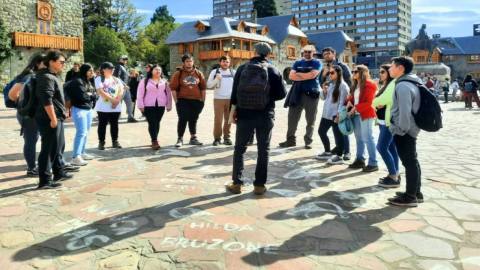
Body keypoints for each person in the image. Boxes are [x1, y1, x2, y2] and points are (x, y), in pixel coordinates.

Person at [226, 42, 287, 195]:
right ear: (268, 54)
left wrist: (232, 111)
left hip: (244, 114)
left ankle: (237, 183)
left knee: (239, 149)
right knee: (263, 150)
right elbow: (282, 94)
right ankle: (259, 185)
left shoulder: (242, 68)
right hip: (265, 114)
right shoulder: (273, 70)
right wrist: (267, 96)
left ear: (254, 52)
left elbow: (234, 93)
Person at [387, 56, 423, 207]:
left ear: (400, 68)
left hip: (405, 131)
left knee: (409, 162)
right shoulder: (413, 81)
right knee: (412, 161)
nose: (389, 69)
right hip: (411, 128)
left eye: (392, 66)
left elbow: (404, 112)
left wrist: (400, 130)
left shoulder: (402, 86)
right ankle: (416, 192)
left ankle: (410, 197)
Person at [34, 50, 71, 189]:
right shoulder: (46, 77)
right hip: (48, 119)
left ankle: (58, 172)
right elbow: (46, 100)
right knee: (48, 149)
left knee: (57, 146)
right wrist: (53, 119)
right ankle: (44, 180)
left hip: (56, 117)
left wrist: (63, 112)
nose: (63, 64)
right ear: (51, 61)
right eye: (61, 62)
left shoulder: (52, 76)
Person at [7, 53, 45, 176]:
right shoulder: (28, 76)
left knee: (32, 139)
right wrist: (24, 104)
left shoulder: (33, 75)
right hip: (29, 114)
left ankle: (32, 164)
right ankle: (31, 167)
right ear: (38, 63)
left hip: (31, 113)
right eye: (45, 62)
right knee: (30, 140)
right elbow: (12, 94)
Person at [280, 45, 321, 149]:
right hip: (296, 93)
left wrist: (298, 75)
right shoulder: (297, 62)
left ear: (313, 52)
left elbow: (313, 75)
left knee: (310, 119)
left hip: (311, 94)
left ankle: (308, 141)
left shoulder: (317, 63)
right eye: (305, 51)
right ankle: (290, 140)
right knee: (292, 118)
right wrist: (306, 75)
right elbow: (290, 76)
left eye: (309, 52)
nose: (307, 53)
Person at [318, 47, 352, 160]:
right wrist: (323, 78)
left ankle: (346, 152)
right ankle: (336, 150)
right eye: (324, 54)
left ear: (334, 53)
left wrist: (343, 109)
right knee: (333, 132)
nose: (326, 56)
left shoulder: (342, 66)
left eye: (328, 53)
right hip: (329, 108)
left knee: (342, 131)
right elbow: (321, 83)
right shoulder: (325, 69)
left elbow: (349, 81)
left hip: (340, 105)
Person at [346, 65, 378, 172]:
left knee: (368, 138)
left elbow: (369, 103)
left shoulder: (370, 85)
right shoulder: (356, 84)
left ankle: (373, 163)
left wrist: (355, 108)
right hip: (357, 114)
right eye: (353, 71)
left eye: (356, 71)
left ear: (363, 73)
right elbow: (355, 98)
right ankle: (360, 160)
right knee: (359, 138)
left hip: (366, 114)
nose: (353, 73)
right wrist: (350, 101)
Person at [170, 54, 206, 147]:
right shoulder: (179, 73)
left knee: (193, 119)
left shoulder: (198, 73)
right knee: (183, 119)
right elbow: (173, 88)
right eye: (187, 61)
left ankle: (193, 138)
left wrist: (202, 101)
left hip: (196, 101)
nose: (189, 63)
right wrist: (176, 101)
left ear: (193, 62)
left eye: (190, 61)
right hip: (183, 100)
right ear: (183, 63)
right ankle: (180, 138)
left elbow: (203, 88)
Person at [373, 64, 400, 188]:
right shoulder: (386, 85)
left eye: (383, 72)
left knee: (382, 147)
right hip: (384, 121)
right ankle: (395, 174)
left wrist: (376, 103)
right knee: (391, 148)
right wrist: (377, 103)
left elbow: (382, 100)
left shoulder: (393, 83)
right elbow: (379, 101)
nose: (381, 74)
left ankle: (393, 176)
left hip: (388, 122)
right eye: (380, 72)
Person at [64, 63, 96, 166]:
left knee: (86, 132)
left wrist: (91, 95)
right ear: (84, 71)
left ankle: (82, 152)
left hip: (88, 109)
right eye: (90, 71)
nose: (92, 73)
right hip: (79, 109)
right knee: (81, 132)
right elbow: (82, 96)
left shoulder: (88, 81)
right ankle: (75, 157)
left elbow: (93, 94)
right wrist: (91, 96)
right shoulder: (78, 81)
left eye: (92, 71)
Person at [316, 65, 349, 165]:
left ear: (339, 73)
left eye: (332, 73)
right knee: (321, 131)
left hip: (335, 115)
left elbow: (342, 102)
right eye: (329, 73)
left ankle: (339, 156)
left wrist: (338, 114)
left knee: (338, 136)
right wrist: (324, 90)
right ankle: (327, 151)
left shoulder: (343, 86)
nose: (329, 75)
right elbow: (323, 98)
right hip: (326, 114)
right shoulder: (330, 84)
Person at [136, 65, 172, 150]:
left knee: (157, 122)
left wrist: (169, 105)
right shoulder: (145, 81)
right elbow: (140, 94)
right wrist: (140, 105)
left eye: (159, 70)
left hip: (160, 105)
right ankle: (154, 140)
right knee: (152, 122)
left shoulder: (164, 81)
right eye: (156, 69)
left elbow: (168, 94)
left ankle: (154, 138)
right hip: (148, 105)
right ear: (151, 71)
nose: (158, 71)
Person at [95, 62, 125, 150]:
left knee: (115, 124)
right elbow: (100, 91)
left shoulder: (116, 79)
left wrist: (117, 101)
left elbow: (121, 90)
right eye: (110, 68)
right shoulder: (99, 78)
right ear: (103, 70)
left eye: (113, 69)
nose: (112, 70)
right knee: (102, 125)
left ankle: (115, 141)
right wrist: (113, 101)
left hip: (116, 107)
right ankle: (101, 142)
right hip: (103, 107)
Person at [207, 56, 235, 146]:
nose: (225, 63)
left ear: (229, 63)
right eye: (223, 61)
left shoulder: (233, 72)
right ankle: (217, 138)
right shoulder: (214, 72)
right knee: (218, 120)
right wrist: (216, 79)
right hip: (218, 99)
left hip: (230, 99)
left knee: (229, 120)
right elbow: (209, 85)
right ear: (220, 62)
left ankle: (227, 138)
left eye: (227, 62)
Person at [114, 55, 136, 122]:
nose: (125, 60)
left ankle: (130, 117)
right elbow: (117, 77)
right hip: (120, 88)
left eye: (126, 59)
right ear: (119, 59)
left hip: (126, 88)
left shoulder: (125, 67)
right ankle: (115, 118)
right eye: (123, 59)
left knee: (129, 103)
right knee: (118, 103)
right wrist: (124, 84)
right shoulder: (118, 66)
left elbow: (126, 77)